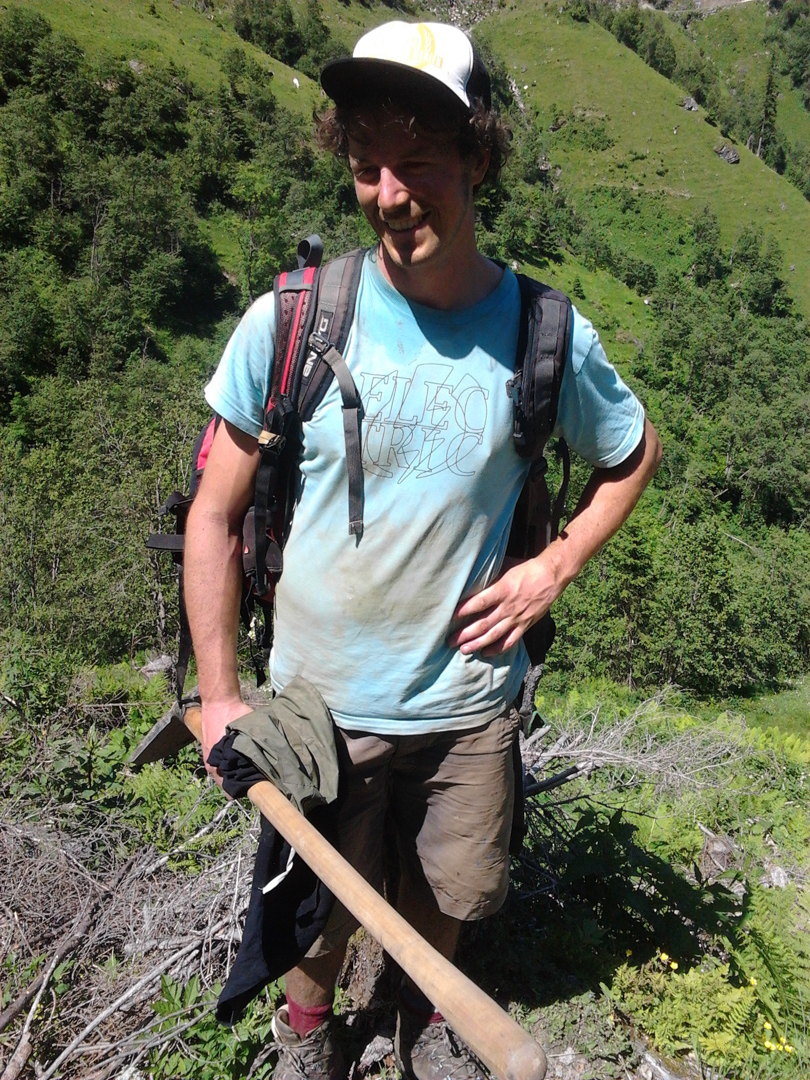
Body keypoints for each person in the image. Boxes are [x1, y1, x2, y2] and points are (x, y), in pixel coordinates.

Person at [184, 20, 662, 1080]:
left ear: (480, 158)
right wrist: (219, 694)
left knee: (452, 892)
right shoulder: (298, 320)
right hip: (317, 705)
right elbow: (212, 517)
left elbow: (634, 453)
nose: (393, 194)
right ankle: (307, 1039)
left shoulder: (545, 334)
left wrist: (555, 564)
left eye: (420, 163)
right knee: (311, 918)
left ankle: (417, 1022)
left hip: (469, 709)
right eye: (367, 168)